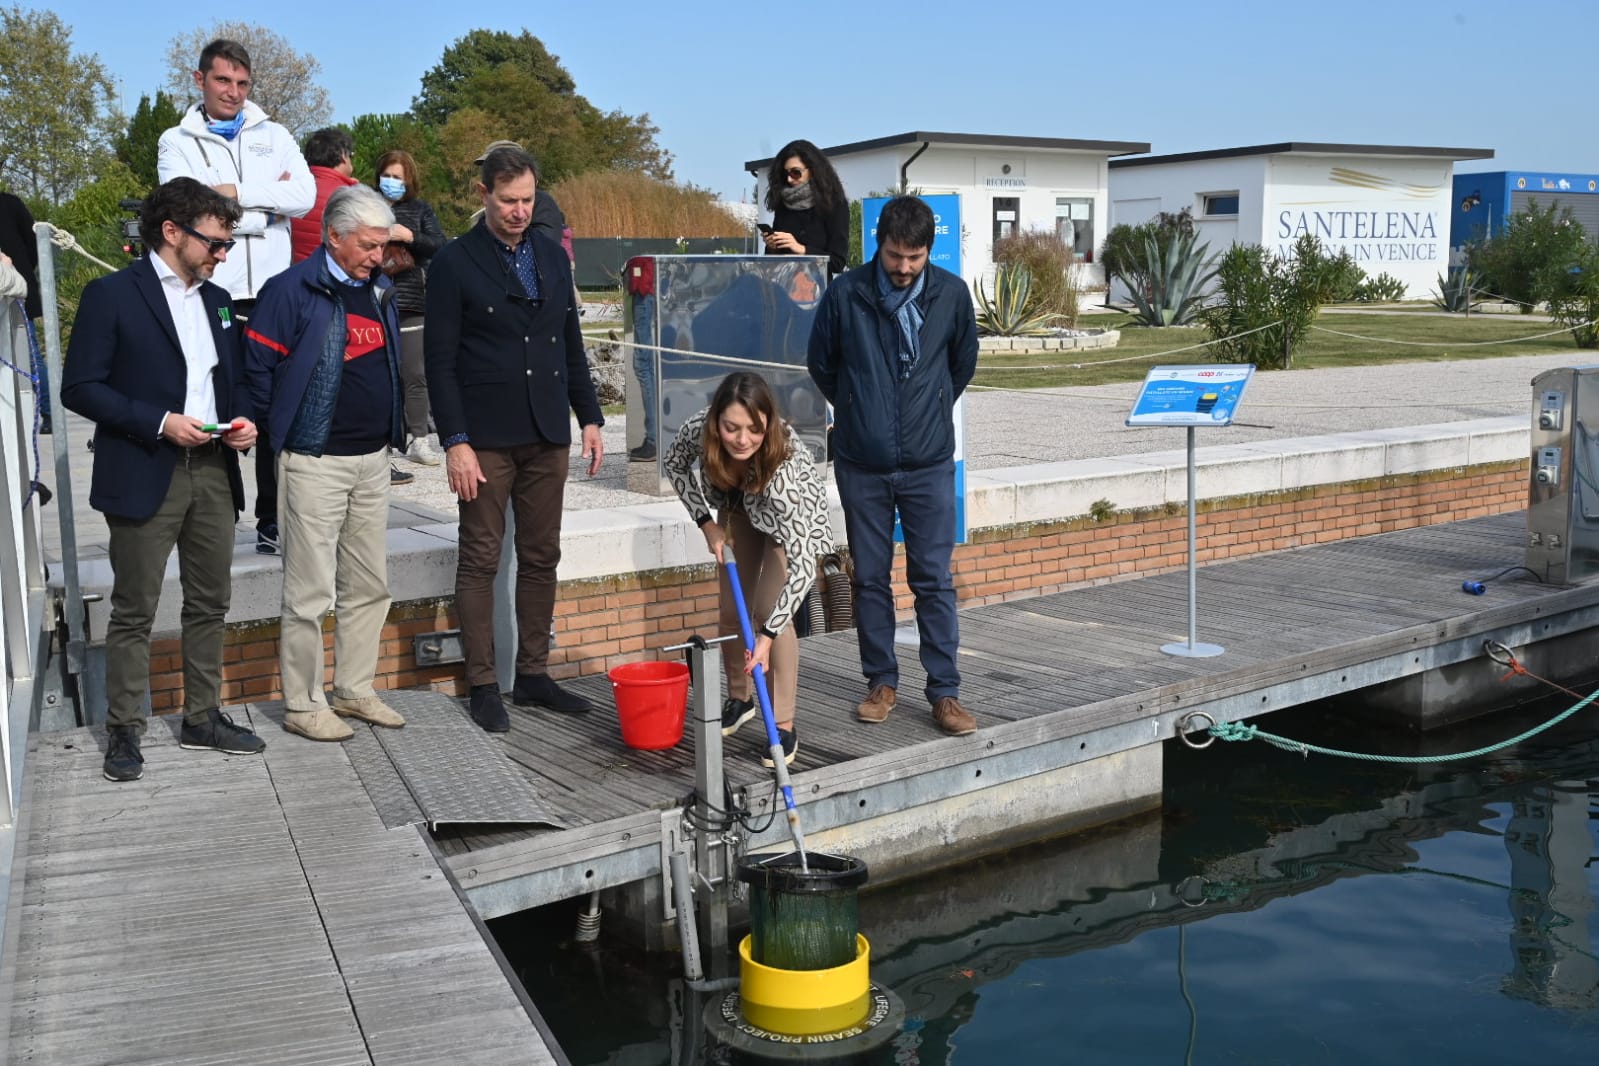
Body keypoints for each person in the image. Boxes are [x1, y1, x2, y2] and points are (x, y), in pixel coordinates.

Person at [59, 178, 266, 782]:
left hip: (213, 469)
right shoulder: (111, 295)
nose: (222, 254)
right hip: (145, 468)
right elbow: (81, 387)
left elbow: (237, 379)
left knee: (211, 602)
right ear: (171, 231)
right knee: (135, 610)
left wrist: (245, 419)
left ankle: (202, 717)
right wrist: (158, 422)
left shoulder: (220, 300)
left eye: (227, 244)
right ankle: (125, 731)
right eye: (216, 242)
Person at [425, 145, 604, 733]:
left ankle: (532, 674)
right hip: (485, 438)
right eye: (508, 201)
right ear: (484, 196)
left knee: (541, 555)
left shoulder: (553, 258)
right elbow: (439, 361)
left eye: (528, 199)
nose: (520, 211)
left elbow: (569, 344)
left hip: (547, 431)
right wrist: (455, 440)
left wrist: (592, 418)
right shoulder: (453, 263)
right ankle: (483, 683)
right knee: (479, 558)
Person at [806, 195, 979, 737]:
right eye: (895, 255)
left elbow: (961, 365)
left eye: (915, 257)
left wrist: (923, 408)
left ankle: (945, 693)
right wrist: (860, 409)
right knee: (871, 581)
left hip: (928, 464)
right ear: (879, 243)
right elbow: (822, 364)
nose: (904, 267)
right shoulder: (846, 293)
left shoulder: (951, 294)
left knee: (934, 579)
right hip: (862, 464)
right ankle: (880, 682)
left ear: (929, 250)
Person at [244, 184, 407, 742]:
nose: (376, 257)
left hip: (372, 459)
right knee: (310, 591)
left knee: (369, 585)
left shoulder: (381, 290)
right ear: (333, 237)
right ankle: (303, 703)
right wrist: (280, 435)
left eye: (382, 247)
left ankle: (355, 689)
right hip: (314, 461)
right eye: (366, 246)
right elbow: (257, 372)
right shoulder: (290, 290)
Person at [159, 37, 315, 556]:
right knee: (216, 403)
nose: (233, 91)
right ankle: (216, 520)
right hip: (213, 292)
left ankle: (273, 521)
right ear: (200, 79)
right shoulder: (175, 139)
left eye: (242, 83)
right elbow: (188, 206)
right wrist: (268, 211)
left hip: (272, 296)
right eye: (223, 80)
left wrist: (236, 195)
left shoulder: (274, 132)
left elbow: (306, 196)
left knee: (274, 410)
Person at [665, 372, 833, 766]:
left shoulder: (786, 471)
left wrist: (769, 635)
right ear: (716, 422)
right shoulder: (699, 429)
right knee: (729, 610)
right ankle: (740, 700)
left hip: (785, 520)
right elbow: (675, 465)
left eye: (754, 430)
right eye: (731, 428)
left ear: (768, 424)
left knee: (767, 610)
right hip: (737, 506)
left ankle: (784, 724)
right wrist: (705, 523)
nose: (742, 439)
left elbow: (804, 567)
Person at [374, 149, 448, 468]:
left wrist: (410, 236)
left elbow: (440, 245)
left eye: (397, 177)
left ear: (409, 180)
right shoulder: (366, 205)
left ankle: (419, 439)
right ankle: (380, 444)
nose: (391, 182)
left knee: (415, 373)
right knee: (378, 373)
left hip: (411, 299)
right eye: (387, 176)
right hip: (372, 298)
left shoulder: (420, 209)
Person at [762, 139, 850, 277]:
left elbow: (838, 262)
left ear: (813, 170)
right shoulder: (783, 203)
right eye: (786, 173)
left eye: (796, 172)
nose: (790, 179)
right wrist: (772, 247)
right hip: (782, 287)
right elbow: (773, 261)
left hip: (815, 291)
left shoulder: (834, 204)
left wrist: (801, 249)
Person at [0, 191, 50, 432]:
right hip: (17, 286)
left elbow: (33, 244)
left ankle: (49, 409)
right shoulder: (12, 204)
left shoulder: (10, 204)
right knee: (31, 355)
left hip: (15, 291)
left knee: (30, 355)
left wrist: (18, 273)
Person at [290, 127, 357, 264]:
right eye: (351, 155)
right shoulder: (351, 196)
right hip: (335, 276)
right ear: (343, 156)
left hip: (298, 273)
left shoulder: (293, 188)